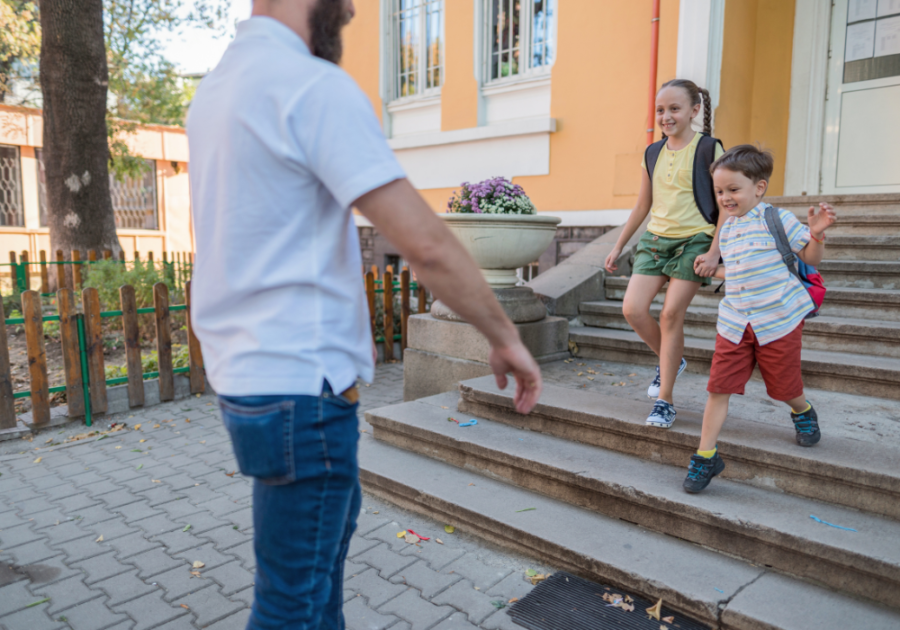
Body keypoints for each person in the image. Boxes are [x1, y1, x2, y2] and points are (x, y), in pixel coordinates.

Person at [186, 1, 543, 627]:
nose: (350, 9)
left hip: (250, 381)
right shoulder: (310, 87)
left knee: (313, 585)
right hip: (305, 393)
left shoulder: (217, 91)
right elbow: (427, 244)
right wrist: (504, 334)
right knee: (291, 604)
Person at [682, 145, 837, 494]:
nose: (725, 198)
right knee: (718, 388)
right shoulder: (729, 230)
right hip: (735, 323)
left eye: (733, 189)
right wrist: (713, 268)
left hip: (778, 320)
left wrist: (816, 234)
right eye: (720, 191)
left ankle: (803, 410)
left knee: (783, 388)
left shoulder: (776, 219)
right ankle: (706, 455)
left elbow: (811, 258)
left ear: (759, 187)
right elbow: (739, 270)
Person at [604, 79, 726, 429]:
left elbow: (725, 207)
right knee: (633, 309)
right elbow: (644, 204)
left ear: (694, 111)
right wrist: (619, 245)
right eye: (661, 110)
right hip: (655, 241)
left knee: (672, 314)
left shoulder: (709, 149)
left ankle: (665, 401)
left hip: (696, 241)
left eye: (674, 109)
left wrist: (715, 251)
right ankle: (671, 360)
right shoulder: (652, 153)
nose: (666, 116)